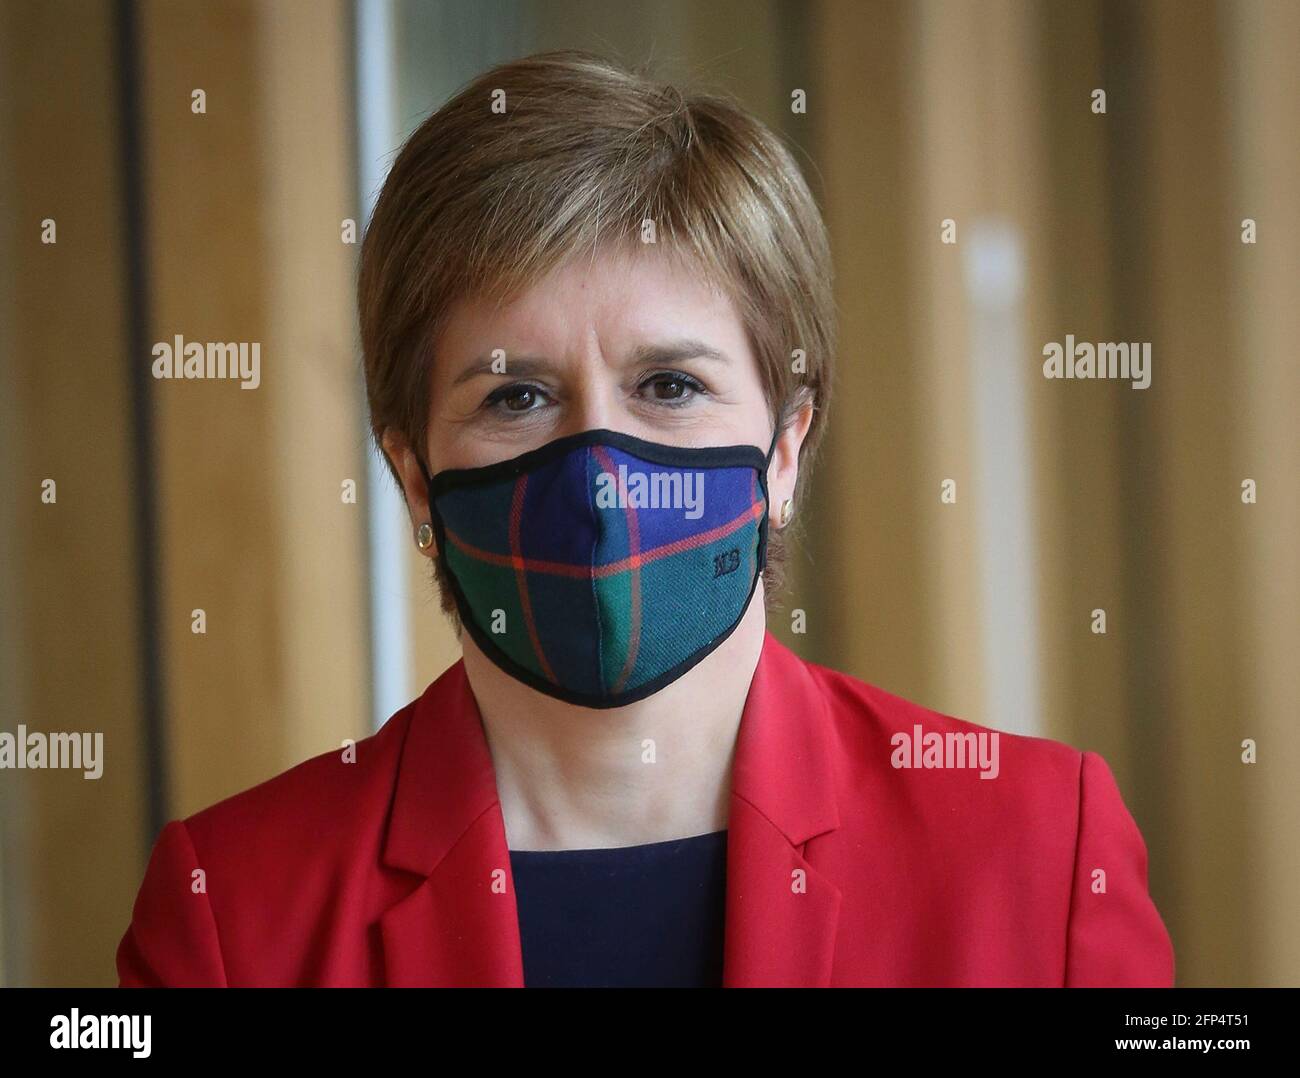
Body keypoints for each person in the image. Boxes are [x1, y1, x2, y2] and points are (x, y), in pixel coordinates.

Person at [117, 49, 1174, 988]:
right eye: (514, 396)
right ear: (411, 476)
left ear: (788, 446)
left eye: (668, 384)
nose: (599, 477)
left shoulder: (1034, 851)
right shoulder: (236, 914)